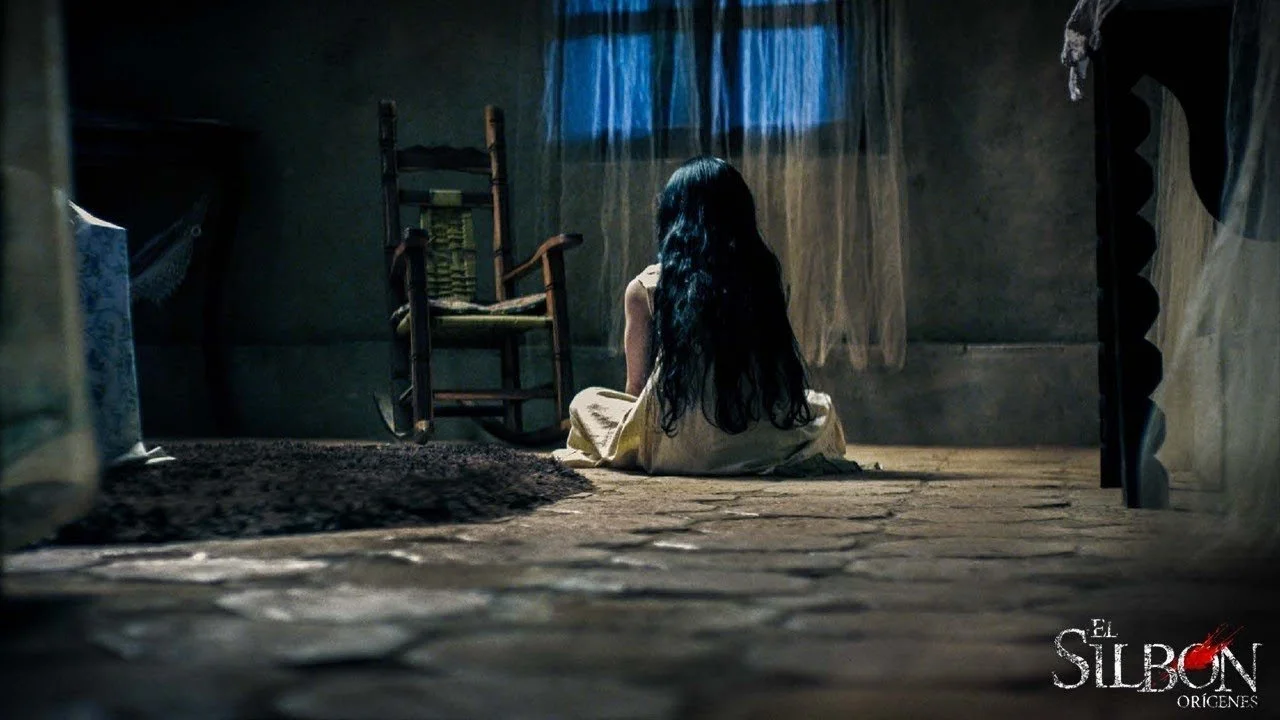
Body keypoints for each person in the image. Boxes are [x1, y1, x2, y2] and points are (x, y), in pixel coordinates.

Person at [553, 156, 856, 476]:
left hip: (674, 447)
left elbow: (637, 385)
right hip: (755, 441)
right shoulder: (759, 277)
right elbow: (776, 375)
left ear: (673, 216)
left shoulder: (646, 287)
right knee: (821, 406)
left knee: (585, 402)